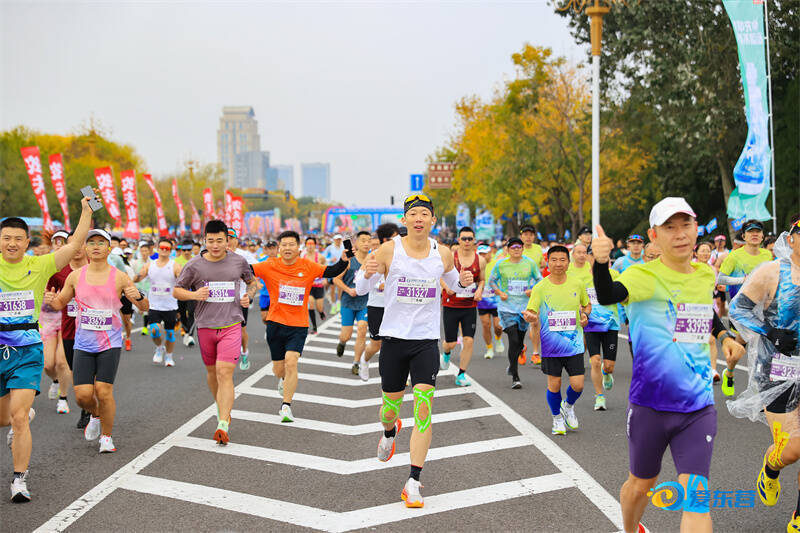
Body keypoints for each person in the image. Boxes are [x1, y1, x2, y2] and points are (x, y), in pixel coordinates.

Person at [591, 197, 745, 533]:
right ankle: (631, 529)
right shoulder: (641, 275)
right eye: (669, 227)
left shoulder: (705, 274)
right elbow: (606, 295)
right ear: (654, 235)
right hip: (650, 407)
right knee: (640, 486)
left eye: (685, 225)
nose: (680, 234)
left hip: (697, 407)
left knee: (697, 496)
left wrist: (725, 336)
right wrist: (600, 263)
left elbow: (705, 312)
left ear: (695, 228)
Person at [354, 193, 473, 508]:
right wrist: (366, 272)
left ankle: (414, 481)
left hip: (425, 342)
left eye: (424, 214)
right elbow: (361, 288)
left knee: (423, 408)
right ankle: (390, 432)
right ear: (405, 220)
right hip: (393, 341)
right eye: (413, 214)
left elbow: (457, 286)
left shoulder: (443, 254)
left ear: (433, 220)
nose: (419, 218)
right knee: (389, 410)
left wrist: (464, 282)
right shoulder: (388, 250)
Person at [1, 196, 94, 503]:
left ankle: (19, 480)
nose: (12, 243)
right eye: (6, 239)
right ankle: (21, 414)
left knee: (17, 419)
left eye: (17, 239)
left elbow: (75, 243)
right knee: (6, 418)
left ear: (28, 242)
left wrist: (85, 211)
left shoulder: (39, 265)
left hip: (27, 350)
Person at [44, 229, 149, 455]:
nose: (96, 246)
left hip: (109, 343)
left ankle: (107, 437)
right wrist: (52, 301)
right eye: (91, 242)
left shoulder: (119, 276)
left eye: (101, 242)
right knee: (82, 395)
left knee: (103, 391)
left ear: (109, 248)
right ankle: (95, 414)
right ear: (86, 248)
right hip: (83, 342)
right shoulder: (76, 276)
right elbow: (61, 303)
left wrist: (139, 296)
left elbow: (144, 307)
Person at [727, 218, 800, 532]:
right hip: (778, 369)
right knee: (793, 448)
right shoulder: (772, 272)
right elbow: (739, 309)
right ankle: (771, 467)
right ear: (792, 239)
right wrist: (771, 331)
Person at [174, 220, 258, 444]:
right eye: (210, 241)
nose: (215, 245)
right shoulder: (194, 265)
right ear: (205, 241)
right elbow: (177, 290)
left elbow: (252, 282)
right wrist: (193, 295)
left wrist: (249, 295)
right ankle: (223, 407)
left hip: (231, 324)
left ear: (227, 240)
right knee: (212, 374)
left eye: (220, 240)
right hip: (205, 326)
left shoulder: (238, 261)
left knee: (224, 372)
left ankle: (222, 423)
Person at [253, 230, 350, 422]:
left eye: (291, 244)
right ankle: (282, 380)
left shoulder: (308, 266)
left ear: (299, 247)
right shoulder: (269, 265)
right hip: (275, 323)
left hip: (298, 325)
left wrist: (344, 260)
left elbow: (330, 271)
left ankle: (286, 406)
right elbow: (245, 269)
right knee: (278, 369)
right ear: (279, 248)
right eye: (284, 245)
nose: (288, 248)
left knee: (291, 362)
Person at [524, 245, 590, 434]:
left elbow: (587, 305)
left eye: (562, 260)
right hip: (551, 345)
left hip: (574, 343)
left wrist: (585, 315)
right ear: (548, 262)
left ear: (568, 262)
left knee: (577, 385)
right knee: (555, 384)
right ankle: (556, 418)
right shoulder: (540, 287)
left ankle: (568, 406)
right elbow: (532, 312)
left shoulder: (577, 284)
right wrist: (530, 317)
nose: (558, 264)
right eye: (554, 260)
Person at [718, 219, 773, 396]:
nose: (755, 234)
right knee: (739, 349)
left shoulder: (767, 256)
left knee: (761, 350)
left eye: (758, 231)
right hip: (741, 310)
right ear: (744, 236)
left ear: (763, 236)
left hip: (762, 309)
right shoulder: (734, 256)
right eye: (751, 232)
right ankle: (730, 371)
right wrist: (742, 280)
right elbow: (721, 279)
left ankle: (759, 390)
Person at [570, 243, 619, 411]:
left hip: (611, 324)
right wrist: (580, 311)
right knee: (595, 361)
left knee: (608, 365)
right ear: (590, 258)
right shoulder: (582, 279)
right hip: (591, 324)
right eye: (592, 255)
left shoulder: (614, 274)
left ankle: (607, 374)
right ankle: (599, 397)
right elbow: (578, 299)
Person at [488, 237, 541, 388]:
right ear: (508, 249)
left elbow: (539, 279)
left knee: (519, 341)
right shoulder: (501, 264)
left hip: (524, 307)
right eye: (513, 247)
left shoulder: (529, 264)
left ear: (522, 249)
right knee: (513, 338)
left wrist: (532, 290)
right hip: (507, 307)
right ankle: (515, 376)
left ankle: (512, 366)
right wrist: (499, 292)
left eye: (519, 247)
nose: (516, 249)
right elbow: (491, 281)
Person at [50, 232, 90, 428]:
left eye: (80, 243)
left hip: (96, 329)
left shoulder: (97, 267)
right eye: (71, 244)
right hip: (69, 329)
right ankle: (87, 407)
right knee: (77, 372)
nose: (77, 248)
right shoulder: (59, 272)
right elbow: (51, 295)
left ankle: (91, 411)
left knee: (95, 376)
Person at [439, 226, 485, 387]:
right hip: (451, 304)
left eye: (469, 239)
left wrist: (479, 290)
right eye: (463, 238)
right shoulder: (451, 257)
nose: (466, 242)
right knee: (450, 342)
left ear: (474, 241)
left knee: (468, 340)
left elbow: (482, 279)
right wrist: (446, 287)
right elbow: (439, 275)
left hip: (469, 305)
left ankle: (461, 374)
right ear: (458, 240)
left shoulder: (480, 260)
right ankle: (446, 352)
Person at [135, 237, 182, 367]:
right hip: (154, 305)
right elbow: (138, 277)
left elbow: (182, 278)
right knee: (155, 330)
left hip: (170, 305)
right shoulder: (150, 264)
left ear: (170, 250)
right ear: (157, 248)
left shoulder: (174, 265)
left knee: (170, 333)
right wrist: (126, 278)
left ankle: (169, 356)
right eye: (162, 248)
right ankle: (159, 347)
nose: (164, 250)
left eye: (167, 248)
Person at [363, 223, 400, 380]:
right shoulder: (372, 256)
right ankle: (364, 360)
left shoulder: (401, 255)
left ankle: (399, 375)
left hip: (395, 306)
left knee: (398, 342)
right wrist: (380, 284)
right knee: (376, 344)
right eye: (395, 236)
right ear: (385, 239)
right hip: (376, 305)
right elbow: (364, 281)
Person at [40, 230, 72, 413]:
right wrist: (43, 295)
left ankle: (63, 397)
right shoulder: (43, 264)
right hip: (48, 319)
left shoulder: (73, 265)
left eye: (63, 241)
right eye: (56, 241)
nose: (59, 245)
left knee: (61, 362)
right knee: (48, 364)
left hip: (67, 318)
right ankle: (54, 380)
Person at [335, 231, 371, 377]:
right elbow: (336, 279)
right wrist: (348, 290)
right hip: (348, 301)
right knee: (346, 335)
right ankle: (342, 343)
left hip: (365, 302)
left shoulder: (373, 260)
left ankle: (356, 363)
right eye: (363, 240)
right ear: (356, 242)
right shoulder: (349, 260)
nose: (366, 243)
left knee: (362, 329)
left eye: (369, 240)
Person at [695, 241, 722, 384]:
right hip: (693, 307)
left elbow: (714, 289)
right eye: (702, 250)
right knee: (698, 340)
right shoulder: (691, 267)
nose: (705, 253)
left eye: (708, 251)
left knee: (711, 339)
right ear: (696, 253)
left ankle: (713, 370)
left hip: (709, 305)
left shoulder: (713, 269)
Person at [229, 228, 255, 370]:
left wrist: (251, 292)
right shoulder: (216, 255)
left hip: (241, 299)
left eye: (231, 237)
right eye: (225, 237)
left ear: (236, 240)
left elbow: (255, 273)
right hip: (222, 300)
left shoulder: (244, 255)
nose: (228, 240)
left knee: (241, 330)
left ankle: (244, 352)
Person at [477, 244, 503, 359]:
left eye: (485, 254)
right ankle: (489, 348)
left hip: (496, 299)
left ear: (490, 253)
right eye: (480, 254)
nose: (482, 256)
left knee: (498, 326)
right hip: (482, 300)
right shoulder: (476, 265)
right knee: (486, 325)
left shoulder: (497, 264)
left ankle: (498, 339)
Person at [302, 237, 327, 334]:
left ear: (315, 245)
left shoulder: (320, 257)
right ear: (305, 245)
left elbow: (325, 267)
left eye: (312, 243)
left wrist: (325, 278)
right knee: (311, 305)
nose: (310, 246)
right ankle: (315, 327)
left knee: (319, 307)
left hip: (319, 285)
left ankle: (321, 312)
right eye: (308, 244)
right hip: (309, 285)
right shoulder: (303, 257)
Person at [175, 240, 196, 346]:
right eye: (184, 250)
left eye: (189, 250)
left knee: (192, 312)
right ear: (181, 250)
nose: (186, 252)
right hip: (180, 292)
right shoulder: (176, 261)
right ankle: (186, 330)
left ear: (192, 249)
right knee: (182, 313)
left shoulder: (196, 260)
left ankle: (190, 335)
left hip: (193, 292)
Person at [131, 241, 152, 336]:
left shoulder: (153, 263)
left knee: (146, 309)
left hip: (149, 289)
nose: (144, 253)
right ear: (140, 251)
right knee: (135, 308)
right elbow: (132, 277)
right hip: (137, 289)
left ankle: (144, 327)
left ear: (149, 252)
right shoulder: (135, 263)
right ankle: (131, 318)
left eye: (146, 251)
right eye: (142, 251)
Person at [324, 235, 346, 313]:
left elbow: (348, 256)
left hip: (341, 269)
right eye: (337, 239)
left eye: (339, 239)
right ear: (334, 240)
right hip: (332, 269)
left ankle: (338, 302)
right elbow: (323, 257)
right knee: (332, 288)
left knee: (340, 287)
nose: (338, 241)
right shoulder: (330, 248)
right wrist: (330, 259)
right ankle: (333, 305)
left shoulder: (343, 247)